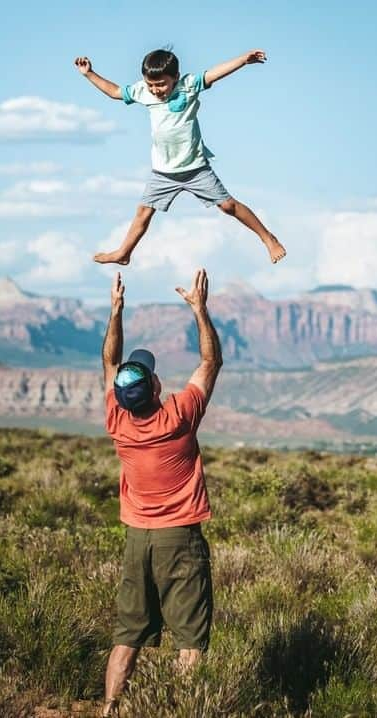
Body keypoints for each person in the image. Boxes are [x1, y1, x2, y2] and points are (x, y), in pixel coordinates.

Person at [99, 268, 223, 717]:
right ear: (155, 387)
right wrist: (199, 309)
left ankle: (110, 708)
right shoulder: (179, 415)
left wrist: (115, 312)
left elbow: (109, 363)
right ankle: (181, 710)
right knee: (189, 639)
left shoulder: (118, 421)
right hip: (180, 540)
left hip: (138, 541)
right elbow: (210, 363)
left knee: (127, 634)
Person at [75, 49, 287, 265]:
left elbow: (214, 73)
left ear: (175, 77)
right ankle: (124, 252)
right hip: (163, 172)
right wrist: (89, 73)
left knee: (228, 206)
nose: (156, 90)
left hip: (195, 168)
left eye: (161, 84)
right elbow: (114, 92)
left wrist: (243, 60)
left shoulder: (189, 85)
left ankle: (268, 238)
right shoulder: (143, 91)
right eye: (151, 85)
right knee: (143, 212)